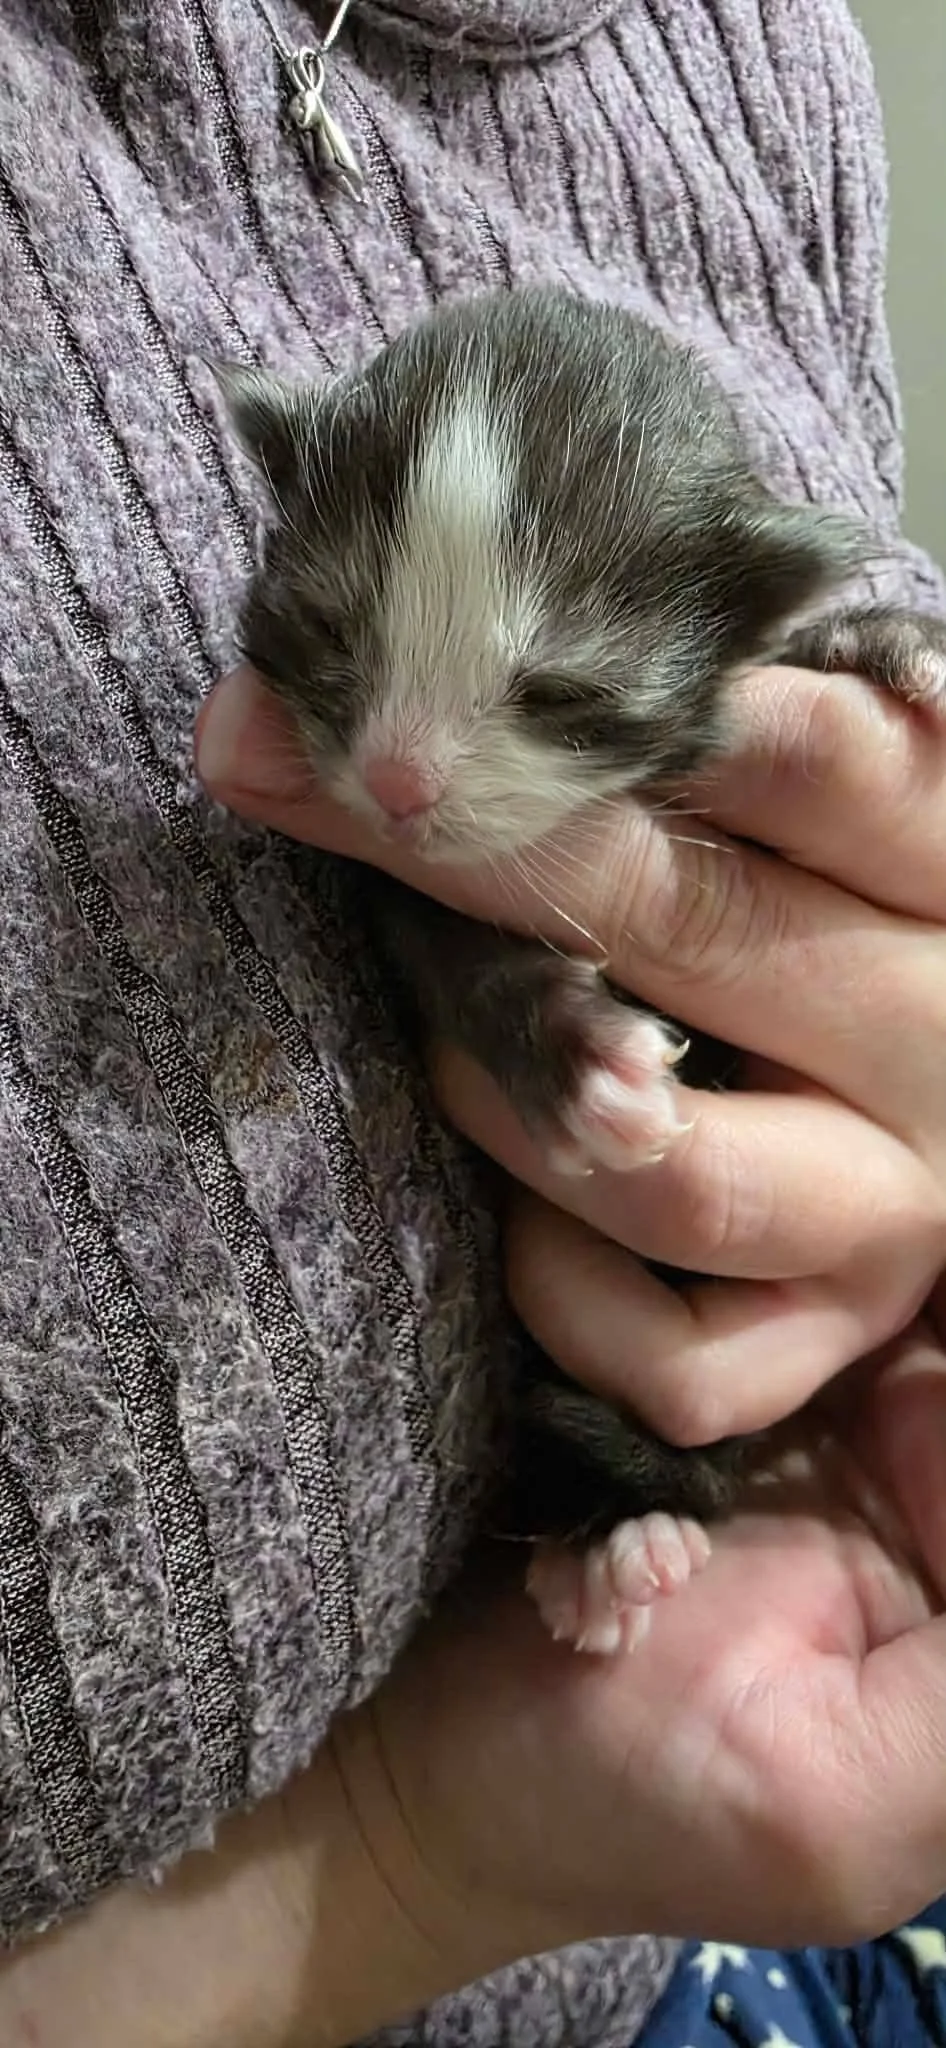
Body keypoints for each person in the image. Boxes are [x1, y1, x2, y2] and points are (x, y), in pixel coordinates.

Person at [2, 0, 946, 2044]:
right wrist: (431, 1846)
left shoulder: (766, 59)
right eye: (337, 648)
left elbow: (814, 605)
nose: (398, 779)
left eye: (528, 696)